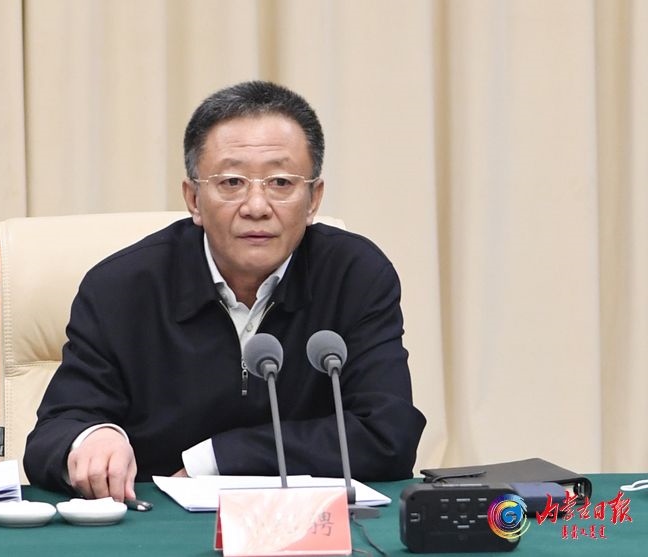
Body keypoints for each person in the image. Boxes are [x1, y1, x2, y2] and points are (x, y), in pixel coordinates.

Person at [24, 81, 426, 502]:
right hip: (157, 522)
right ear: (193, 199)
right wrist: (92, 438)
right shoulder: (121, 288)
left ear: (313, 200)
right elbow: (52, 436)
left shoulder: (355, 276)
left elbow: (388, 433)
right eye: (232, 182)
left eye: (281, 182)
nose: (256, 206)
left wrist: (216, 458)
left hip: (305, 525)